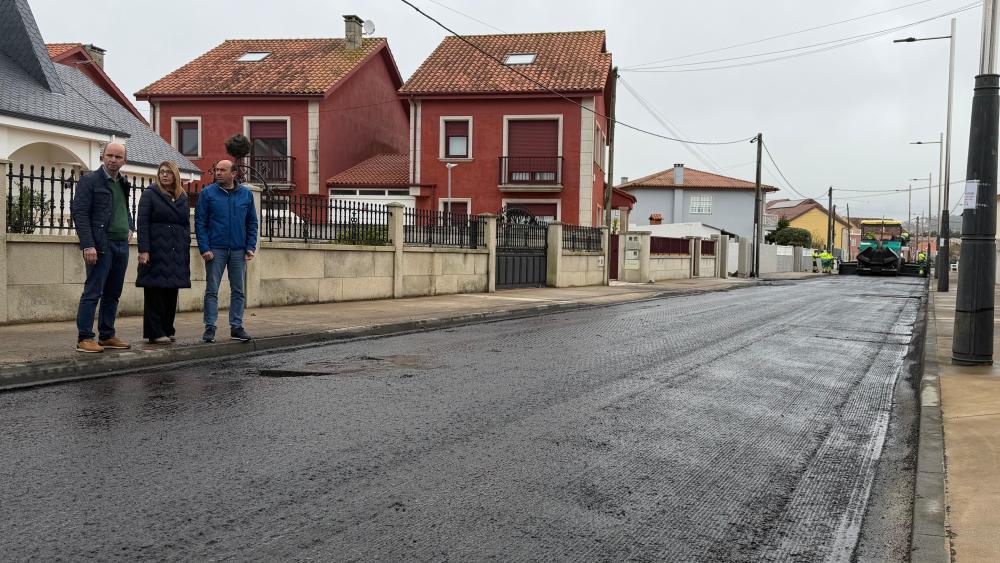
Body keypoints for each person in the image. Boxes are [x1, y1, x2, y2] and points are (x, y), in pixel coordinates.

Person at [71, 142, 134, 353]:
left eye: (118, 156)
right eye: (110, 155)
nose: (113, 159)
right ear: (102, 157)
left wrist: (130, 226)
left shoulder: (123, 183)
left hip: (121, 245)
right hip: (101, 244)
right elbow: (80, 213)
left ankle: (107, 335)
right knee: (93, 291)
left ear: (124, 160)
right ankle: (85, 338)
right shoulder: (90, 180)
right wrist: (88, 244)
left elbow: (124, 208)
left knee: (113, 293)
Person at [195, 160, 258, 343]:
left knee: (238, 291)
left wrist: (250, 246)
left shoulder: (246, 195)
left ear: (234, 174)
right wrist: (204, 248)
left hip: (239, 250)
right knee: (212, 290)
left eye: (223, 170)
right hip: (215, 250)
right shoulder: (207, 193)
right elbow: (200, 222)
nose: (218, 173)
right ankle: (210, 327)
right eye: (216, 170)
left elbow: (252, 223)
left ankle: (236, 326)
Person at [136, 161, 191, 343]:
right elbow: (142, 224)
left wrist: (186, 243)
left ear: (175, 175)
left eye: (168, 172)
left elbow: (185, 224)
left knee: (171, 291)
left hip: (176, 252)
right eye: (162, 172)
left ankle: (167, 329)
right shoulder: (150, 194)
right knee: (155, 291)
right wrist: (144, 250)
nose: (164, 175)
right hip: (155, 250)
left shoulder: (182, 197)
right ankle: (155, 332)